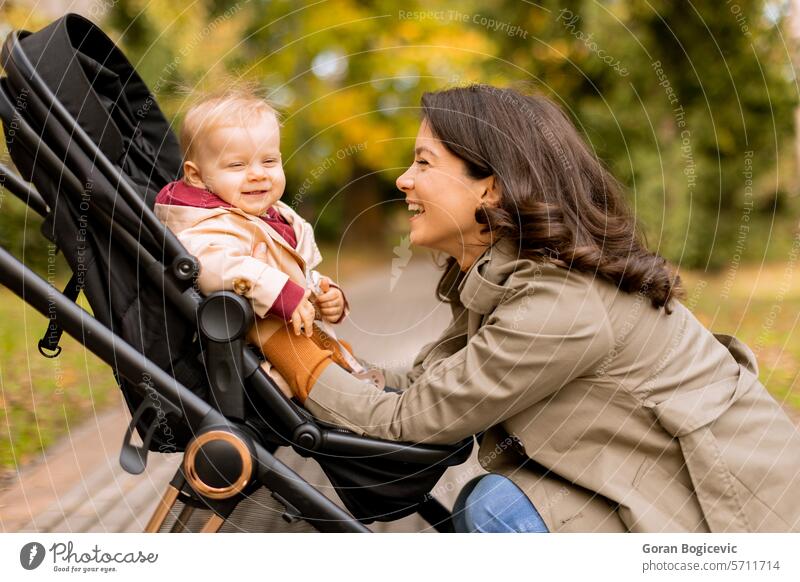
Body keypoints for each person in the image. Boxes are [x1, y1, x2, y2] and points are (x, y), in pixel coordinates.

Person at [256, 84, 800, 533]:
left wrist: (285, 347)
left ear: (489, 188)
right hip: (648, 480)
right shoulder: (506, 272)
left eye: (423, 162)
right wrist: (343, 365)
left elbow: (409, 422)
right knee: (491, 501)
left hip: (734, 517)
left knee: (496, 510)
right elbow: (425, 382)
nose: (403, 179)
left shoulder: (559, 304)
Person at [155, 89, 376, 395]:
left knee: (331, 349)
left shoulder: (275, 216)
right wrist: (280, 291)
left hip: (296, 332)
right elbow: (214, 266)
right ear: (196, 175)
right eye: (237, 166)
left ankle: (352, 383)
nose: (258, 174)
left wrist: (326, 296)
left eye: (269, 161)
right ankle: (347, 400)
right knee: (309, 358)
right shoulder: (204, 226)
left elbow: (299, 271)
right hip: (253, 347)